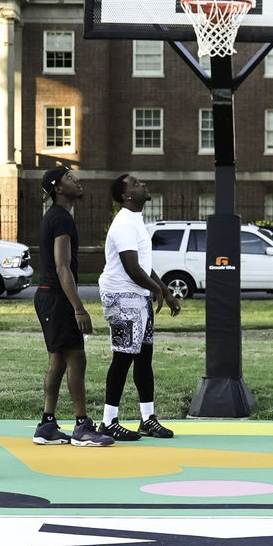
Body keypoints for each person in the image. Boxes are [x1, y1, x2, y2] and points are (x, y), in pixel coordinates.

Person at [29, 163, 112, 446]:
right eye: (68, 177)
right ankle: (82, 427)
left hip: (50, 296)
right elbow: (62, 266)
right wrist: (78, 307)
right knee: (76, 358)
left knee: (58, 359)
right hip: (57, 298)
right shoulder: (61, 218)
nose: (76, 179)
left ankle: (48, 425)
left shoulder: (56, 216)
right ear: (57, 188)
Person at [97, 173, 177, 441]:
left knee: (144, 359)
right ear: (126, 195)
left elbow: (142, 265)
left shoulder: (136, 221)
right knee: (122, 357)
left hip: (137, 297)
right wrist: (156, 291)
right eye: (135, 184)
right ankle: (108, 422)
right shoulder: (123, 224)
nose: (143, 185)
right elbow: (131, 268)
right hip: (122, 297)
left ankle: (147, 419)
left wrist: (164, 290)